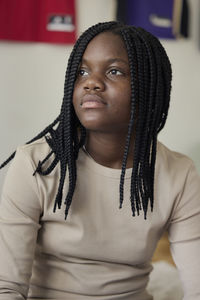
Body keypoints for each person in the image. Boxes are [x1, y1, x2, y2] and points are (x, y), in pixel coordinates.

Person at [0, 21, 200, 300]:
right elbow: (6, 287)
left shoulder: (179, 173)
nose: (91, 82)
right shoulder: (35, 163)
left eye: (114, 71)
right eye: (82, 71)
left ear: (149, 87)